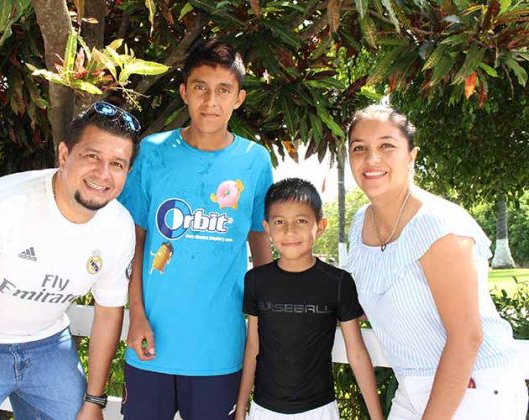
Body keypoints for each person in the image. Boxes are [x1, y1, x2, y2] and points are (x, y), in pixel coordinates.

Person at [0, 102, 141, 420]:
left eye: (117, 164)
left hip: (48, 344)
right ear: (64, 155)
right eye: (92, 156)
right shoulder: (5, 204)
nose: (103, 174)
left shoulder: (119, 227)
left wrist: (94, 401)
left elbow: (108, 314)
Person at [119, 39, 274, 419]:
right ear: (184, 91)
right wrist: (135, 314)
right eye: (201, 88)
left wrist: (263, 322)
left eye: (223, 90)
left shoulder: (255, 161)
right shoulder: (152, 152)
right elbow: (133, 245)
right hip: (149, 343)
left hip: (219, 350)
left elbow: (262, 247)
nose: (211, 101)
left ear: (238, 98)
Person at [345, 104, 528, 419]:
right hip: (411, 384)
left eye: (386, 146)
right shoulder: (360, 223)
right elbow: (371, 298)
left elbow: (466, 337)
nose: (371, 158)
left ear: (411, 155)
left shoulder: (438, 223)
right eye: (359, 148)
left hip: (475, 385)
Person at [235, 178, 383, 420]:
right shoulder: (256, 280)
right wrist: (242, 407)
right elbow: (253, 346)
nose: (289, 230)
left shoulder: (337, 282)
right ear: (267, 227)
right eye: (279, 221)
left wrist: (377, 417)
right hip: (265, 409)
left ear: (320, 225)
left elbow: (357, 353)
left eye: (301, 221)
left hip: (320, 409)